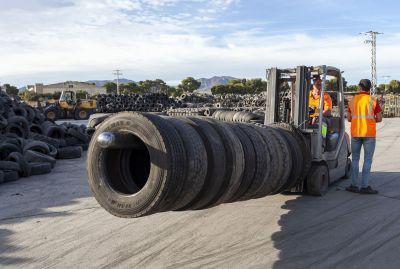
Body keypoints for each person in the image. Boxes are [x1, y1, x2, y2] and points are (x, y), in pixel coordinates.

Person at [346, 79, 382, 194]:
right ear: (369, 88)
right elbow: (379, 118)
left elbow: (349, 118)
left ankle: (354, 185)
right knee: (367, 160)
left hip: (356, 133)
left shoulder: (352, 100)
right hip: (369, 134)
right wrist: (371, 120)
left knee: (355, 159)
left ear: (360, 87)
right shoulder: (373, 100)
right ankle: (365, 186)